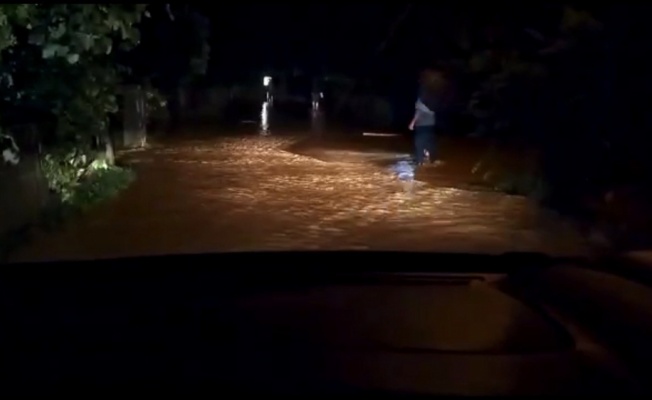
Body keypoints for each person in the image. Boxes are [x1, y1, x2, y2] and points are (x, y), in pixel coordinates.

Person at [408, 70, 439, 166]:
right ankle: (431, 159)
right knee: (428, 141)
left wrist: (412, 122)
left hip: (422, 123)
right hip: (431, 122)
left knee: (419, 142)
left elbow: (419, 111)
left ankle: (420, 161)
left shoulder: (421, 98)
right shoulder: (433, 96)